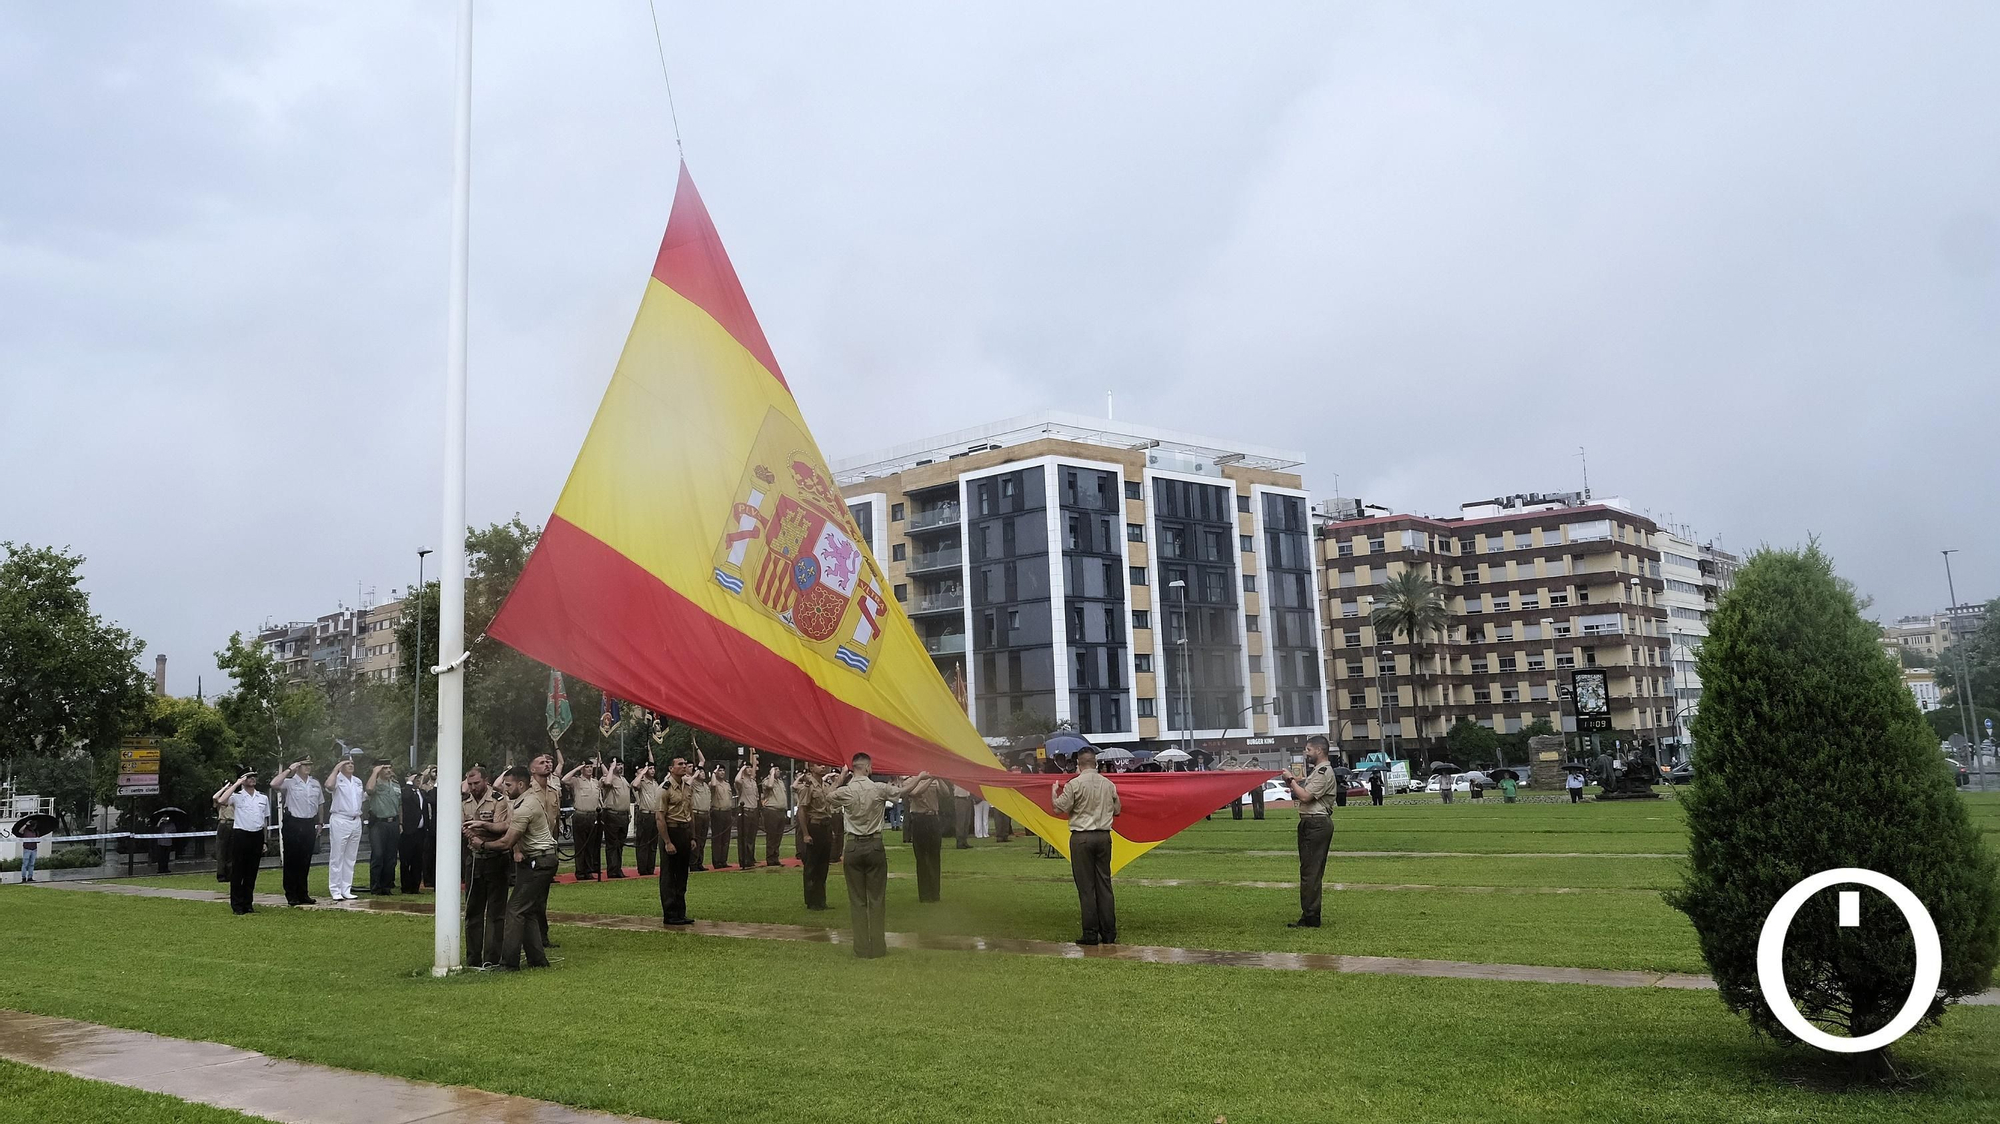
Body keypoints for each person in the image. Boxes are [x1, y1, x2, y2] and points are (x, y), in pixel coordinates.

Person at [827, 756, 929, 959]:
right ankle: (878, 947)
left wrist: (840, 778)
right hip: (874, 845)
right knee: (876, 899)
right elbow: (901, 792)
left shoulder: (846, 790)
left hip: (853, 847)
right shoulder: (878, 788)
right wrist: (920, 777)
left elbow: (829, 796)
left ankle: (861, 948)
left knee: (857, 901)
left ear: (853, 768)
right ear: (866, 768)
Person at [481, 766, 557, 971]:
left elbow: (507, 841)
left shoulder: (526, 807)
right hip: (538, 861)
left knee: (514, 910)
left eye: (508, 785)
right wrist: (483, 825)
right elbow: (507, 825)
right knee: (528, 911)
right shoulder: (524, 801)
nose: (505, 789)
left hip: (539, 863)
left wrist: (482, 845)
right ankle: (537, 960)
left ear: (521, 784)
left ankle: (509, 963)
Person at [1051, 747, 1120, 945]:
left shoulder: (1074, 784)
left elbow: (1058, 808)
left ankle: (1090, 933)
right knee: (1104, 885)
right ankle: (1109, 933)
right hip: (1104, 837)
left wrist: (1053, 793)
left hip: (1081, 838)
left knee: (1086, 887)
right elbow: (1118, 810)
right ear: (1096, 763)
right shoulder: (1108, 784)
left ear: (1079, 764)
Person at [1281, 735, 1338, 928]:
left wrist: (1290, 780)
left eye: (1308, 749)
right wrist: (1294, 784)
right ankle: (1309, 914)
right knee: (1308, 871)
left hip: (1316, 824)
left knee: (1310, 872)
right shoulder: (1317, 772)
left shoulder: (1323, 772)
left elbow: (1305, 796)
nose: (1306, 753)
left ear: (1319, 751)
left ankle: (1311, 917)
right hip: (1311, 823)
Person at [458, 766, 511, 967]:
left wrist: (479, 827)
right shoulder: (465, 802)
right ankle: (473, 958)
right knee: (473, 910)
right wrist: (474, 834)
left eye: (476, 783)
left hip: (496, 858)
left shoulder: (498, 799)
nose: (472, 787)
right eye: (470, 784)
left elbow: (501, 827)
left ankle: (492, 959)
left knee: (496, 912)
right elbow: (463, 826)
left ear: (486, 780)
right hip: (475, 859)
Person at [213, 770, 270, 914]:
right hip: (241, 835)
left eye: (253, 776)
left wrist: (265, 840)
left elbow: (264, 821)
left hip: (256, 835)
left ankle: (248, 903)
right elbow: (221, 800)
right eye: (248, 777)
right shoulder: (237, 797)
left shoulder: (262, 797)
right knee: (238, 872)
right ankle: (237, 905)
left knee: (251, 872)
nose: (252, 779)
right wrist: (237, 783)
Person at [272, 758, 322, 906]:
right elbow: (274, 784)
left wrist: (320, 822)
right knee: (291, 860)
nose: (308, 768)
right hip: (293, 823)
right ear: (298, 766)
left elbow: (320, 803)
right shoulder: (289, 782)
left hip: (308, 823)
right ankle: (291, 894)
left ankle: (303, 893)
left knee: (305, 860)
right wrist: (289, 770)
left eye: (309, 765)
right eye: (304, 765)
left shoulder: (315, 783)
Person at [656, 755, 696, 925]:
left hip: (684, 832)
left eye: (685, 764)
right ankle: (670, 913)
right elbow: (659, 817)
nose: (683, 766)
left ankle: (681, 912)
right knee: (669, 875)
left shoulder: (687, 787)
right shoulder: (664, 789)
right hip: (671, 831)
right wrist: (667, 842)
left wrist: (692, 836)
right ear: (671, 769)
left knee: (682, 875)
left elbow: (690, 812)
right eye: (679, 764)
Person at [904, 772, 951, 903]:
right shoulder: (910, 780)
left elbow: (946, 793)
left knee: (934, 856)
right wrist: (929, 780)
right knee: (921, 857)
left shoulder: (934, 780)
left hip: (933, 818)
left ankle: (935, 893)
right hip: (919, 819)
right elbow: (915, 793)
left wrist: (939, 778)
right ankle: (924, 894)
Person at [794, 763, 836, 910]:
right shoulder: (808, 786)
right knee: (812, 865)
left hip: (825, 826)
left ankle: (821, 900)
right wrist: (805, 833)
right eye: (818, 765)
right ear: (811, 768)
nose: (823, 766)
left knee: (823, 865)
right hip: (814, 826)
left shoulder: (823, 785)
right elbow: (802, 810)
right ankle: (811, 901)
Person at [324, 758, 365, 900]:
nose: (351, 765)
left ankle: (346, 888)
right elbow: (329, 786)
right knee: (337, 856)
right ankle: (335, 889)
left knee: (350, 857)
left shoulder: (358, 781)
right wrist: (336, 769)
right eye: (347, 763)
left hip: (355, 820)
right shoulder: (336, 779)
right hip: (340, 819)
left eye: (352, 763)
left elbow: (361, 799)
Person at [362, 764, 401, 894]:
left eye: (390, 767)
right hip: (379, 824)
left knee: (391, 857)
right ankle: (375, 886)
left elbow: (399, 805)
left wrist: (400, 823)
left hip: (393, 823)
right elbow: (369, 789)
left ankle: (386, 886)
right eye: (385, 768)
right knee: (378, 855)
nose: (389, 770)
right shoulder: (375, 783)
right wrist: (374, 773)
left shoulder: (395, 784)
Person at [564, 758, 604, 881]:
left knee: (591, 846)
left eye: (591, 767)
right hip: (581, 815)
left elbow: (607, 778)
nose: (589, 769)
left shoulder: (596, 782)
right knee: (580, 845)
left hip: (593, 815)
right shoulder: (576, 781)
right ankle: (580, 871)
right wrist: (577, 768)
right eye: (587, 767)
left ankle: (588, 870)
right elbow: (564, 779)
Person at [400, 766, 436, 893]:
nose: (418, 780)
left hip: (421, 831)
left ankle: (415, 886)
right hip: (409, 830)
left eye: (419, 778)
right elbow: (406, 797)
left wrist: (436, 785)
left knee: (417, 860)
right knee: (406, 860)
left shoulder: (421, 792)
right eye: (415, 778)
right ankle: (406, 886)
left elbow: (432, 799)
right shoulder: (406, 791)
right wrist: (409, 783)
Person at [602, 760, 632, 878]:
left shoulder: (623, 779)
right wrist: (611, 768)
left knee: (620, 845)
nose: (620, 767)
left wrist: (628, 813)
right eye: (618, 765)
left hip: (623, 815)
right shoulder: (608, 777)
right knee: (612, 844)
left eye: (621, 765)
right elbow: (607, 783)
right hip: (612, 814)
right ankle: (612, 870)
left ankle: (618, 869)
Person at [633, 763, 662, 877]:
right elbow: (634, 785)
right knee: (643, 843)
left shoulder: (655, 783)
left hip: (655, 814)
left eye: (653, 768)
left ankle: (650, 867)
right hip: (645, 814)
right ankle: (643, 868)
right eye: (650, 768)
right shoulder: (642, 782)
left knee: (653, 844)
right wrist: (643, 772)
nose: (652, 770)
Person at [734, 758, 762, 869]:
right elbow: (737, 780)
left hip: (753, 811)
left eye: (750, 767)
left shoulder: (752, 781)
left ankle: (750, 858)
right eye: (747, 767)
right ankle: (743, 860)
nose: (749, 769)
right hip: (744, 811)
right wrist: (742, 768)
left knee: (751, 837)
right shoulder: (741, 782)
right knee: (743, 838)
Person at [760, 764, 788, 867]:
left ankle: (775, 857)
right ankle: (770, 858)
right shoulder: (767, 781)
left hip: (780, 811)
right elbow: (770, 786)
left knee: (778, 836)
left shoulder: (780, 782)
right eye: (776, 769)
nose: (778, 771)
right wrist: (771, 773)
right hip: (771, 811)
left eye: (778, 769)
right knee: (772, 836)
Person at [708, 765, 735, 869]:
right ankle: (717, 861)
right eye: (720, 771)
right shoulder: (712, 783)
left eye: (723, 770)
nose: (722, 772)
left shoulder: (727, 784)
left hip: (727, 812)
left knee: (726, 838)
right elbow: (713, 785)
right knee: (717, 838)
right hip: (717, 812)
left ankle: (723, 860)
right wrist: (713, 773)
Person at [687, 755, 711, 872]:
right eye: (701, 772)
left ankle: (700, 862)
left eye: (703, 772)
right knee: (695, 840)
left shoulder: (705, 785)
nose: (703, 773)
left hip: (705, 814)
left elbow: (703, 761)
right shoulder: (693, 782)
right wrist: (695, 774)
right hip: (696, 814)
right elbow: (687, 784)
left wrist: (697, 748)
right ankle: (693, 863)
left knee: (702, 841)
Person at [953, 784, 975, 849]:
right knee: (961, 822)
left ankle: (964, 841)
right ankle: (959, 842)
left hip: (967, 798)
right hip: (960, 799)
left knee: (966, 822)